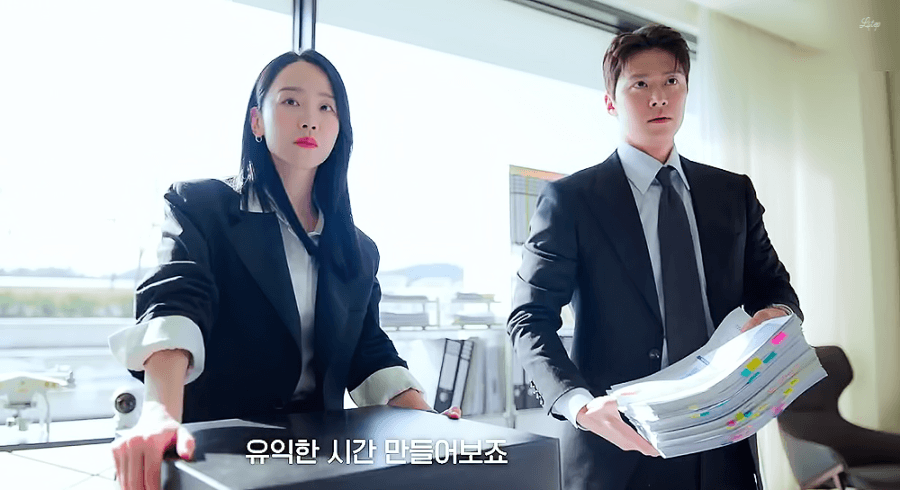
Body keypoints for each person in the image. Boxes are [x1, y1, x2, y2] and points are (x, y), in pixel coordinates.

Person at [108, 50, 459, 490]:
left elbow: (368, 351)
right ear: (257, 121)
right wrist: (160, 412)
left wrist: (425, 417)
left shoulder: (358, 249)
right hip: (216, 451)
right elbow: (176, 303)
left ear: (340, 129)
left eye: (326, 107)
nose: (310, 120)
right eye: (291, 101)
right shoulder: (201, 206)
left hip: (320, 456)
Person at [508, 23, 800, 490]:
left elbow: (774, 286)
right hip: (620, 443)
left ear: (686, 90)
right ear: (611, 101)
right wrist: (579, 404)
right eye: (639, 84)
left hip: (724, 440)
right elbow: (529, 318)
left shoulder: (732, 193)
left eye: (671, 81)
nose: (658, 97)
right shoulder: (572, 200)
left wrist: (777, 314)